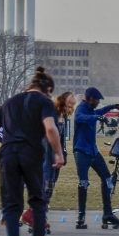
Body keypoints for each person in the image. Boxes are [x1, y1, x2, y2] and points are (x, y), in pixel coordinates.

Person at [0, 67, 64, 236]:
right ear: (48, 89)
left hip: (8, 155)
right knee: (37, 199)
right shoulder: (45, 102)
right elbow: (51, 128)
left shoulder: (10, 102)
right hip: (31, 154)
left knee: (11, 204)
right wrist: (58, 152)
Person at [72, 87, 119, 230]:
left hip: (93, 151)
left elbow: (98, 112)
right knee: (83, 183)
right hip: (81, 151)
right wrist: (96, 117)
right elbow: (79, 118)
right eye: (97, 100)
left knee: (107, 179)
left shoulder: (91, 109)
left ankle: (107, 214)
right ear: (90, 98)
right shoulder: (81, 108)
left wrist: (113, 106)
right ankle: (80, 218)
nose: (98, 102)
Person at [41, 91, 76, 223]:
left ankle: (35, 213)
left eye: (72, 105)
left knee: (52, 182)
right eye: (68, 104)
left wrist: (63, 152)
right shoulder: (52, 113)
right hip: (47, 153)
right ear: (62, 101)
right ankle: (39, 215)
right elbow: (47, 136)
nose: (70, 108)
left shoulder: (63, 116)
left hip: (57, 154)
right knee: (47, 182)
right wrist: (55, 153)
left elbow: (61, 137)